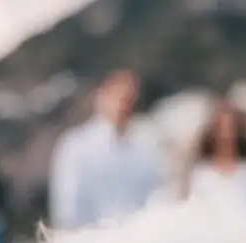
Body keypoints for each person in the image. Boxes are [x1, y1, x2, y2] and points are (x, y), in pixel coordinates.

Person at [49, 69, 164, 229]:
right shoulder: (76, 147)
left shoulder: (145, 147)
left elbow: (154, 198)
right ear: (102, 96)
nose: (124, 106)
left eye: (129, 99)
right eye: (119, 97)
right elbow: (68, 210)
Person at [186, 99, 246, 210]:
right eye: (222, 130)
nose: (226, 137)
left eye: (231, 130)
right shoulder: (202, 174)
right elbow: (195, 208)